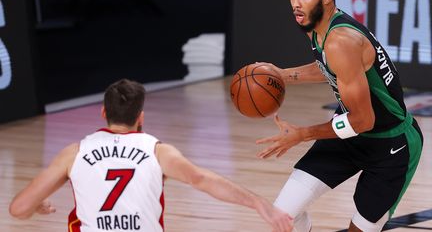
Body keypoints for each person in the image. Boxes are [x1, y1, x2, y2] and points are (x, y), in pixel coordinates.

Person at [9, 79, 293, 232]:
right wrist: (258, 203)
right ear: (141, 117)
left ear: (104, 113)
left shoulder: (74, 153)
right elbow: (202, 179)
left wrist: (36, 205)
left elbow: (18, 210)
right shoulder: (158, 152)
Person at [255, 0, 424, 231]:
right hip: (349, 134)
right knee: (283, 216)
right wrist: (282, 76)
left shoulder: (341, 41)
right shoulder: (317, 24)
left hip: (391, 145)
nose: (295, 4)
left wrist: (302, 134)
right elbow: (331, 66)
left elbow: (363, 120)